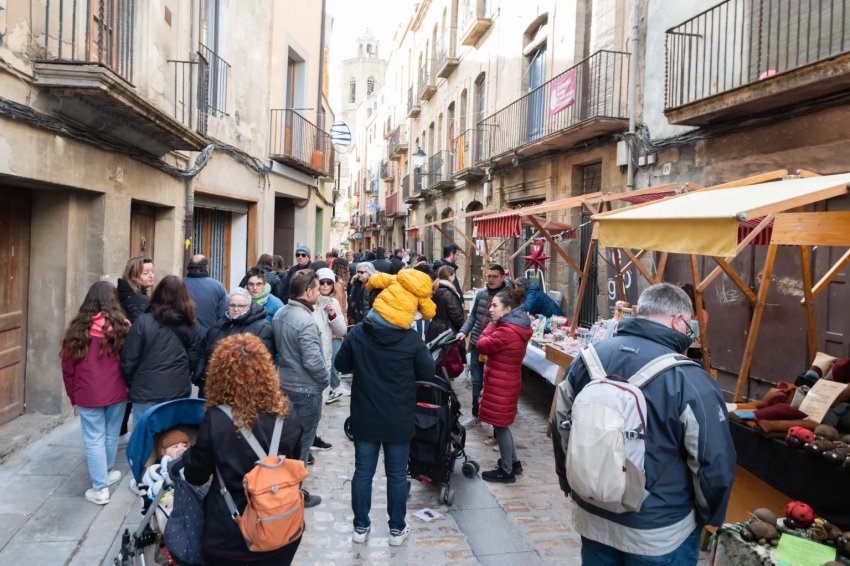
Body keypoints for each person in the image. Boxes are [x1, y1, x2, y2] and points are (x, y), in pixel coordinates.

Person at [551, 283, 735, 564]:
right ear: (677, 320)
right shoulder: (691, 379)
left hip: (592, 513)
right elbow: (712, 460)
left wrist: (568, 478)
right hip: (659, 529)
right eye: (689, 326)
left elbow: (561, 421)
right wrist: (710, 515)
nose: (689, 333)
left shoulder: (589, 359)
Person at [179, 334, 304, 566]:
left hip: (231, 537)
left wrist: (187, 457)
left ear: (218, 376)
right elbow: (295, 464)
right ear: (266, 371)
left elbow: (195, 475)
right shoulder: (287, 414)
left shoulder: (216, 420)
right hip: (282, 530)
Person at [334, 280, 436, 547]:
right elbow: (428, 374)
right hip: (398, 417)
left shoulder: (358, 334)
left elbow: (340, 364)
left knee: (363, 473)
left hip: (365, 416)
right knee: (396, 475)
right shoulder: (411, 339)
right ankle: (396, 529)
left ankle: (360, 526)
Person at [61, 281, 130, 505]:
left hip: (87, 392)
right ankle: (106, 474)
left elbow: (68, 367)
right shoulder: (122, 327)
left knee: (93, 438)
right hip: (117, 390)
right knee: (110, 435)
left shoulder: (77, 330)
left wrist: (72, 394)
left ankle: (100, 487)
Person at [273, 270, 326, 508]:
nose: (319, 292)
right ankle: (295, 494)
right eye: (316, 288)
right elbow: (313, 361)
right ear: (308, 291)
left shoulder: (281, 313)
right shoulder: (304, 320)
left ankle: (283, 488)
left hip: (285, 384)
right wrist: (324, 380)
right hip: (305, 389)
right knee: (302, 444)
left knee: (286, 440)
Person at [120, 275, 203, 424]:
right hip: (177, 390)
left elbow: (129, 360)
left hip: (145, 390)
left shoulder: (143, 321)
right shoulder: (191, 323)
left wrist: (134, 383)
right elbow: (194, 358)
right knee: (172, 440)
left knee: (144, 439)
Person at [476, 286, 533, 483]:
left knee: (501, 426)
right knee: (502, 424)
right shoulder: (515, 328)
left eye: (495, 306)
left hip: (502, 383)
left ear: (508, 310)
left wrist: (493, 325)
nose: (491, 309)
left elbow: (481, 344)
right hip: (506, 380)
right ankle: (514, 463)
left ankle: (507, 470)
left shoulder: (505, 331)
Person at [457, 265, 510, 428]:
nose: (491, 279)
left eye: (494, 276)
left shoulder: (507, 297)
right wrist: (463, 331)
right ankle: (476, 414)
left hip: (495, 348)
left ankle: (495, 424)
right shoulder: (481, 294)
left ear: (502, 277)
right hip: (477, 345)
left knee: (494, 385)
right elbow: (473, 316)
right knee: (477, 381)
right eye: (488, 276)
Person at [198, 288, 276, 395]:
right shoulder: (218, 326)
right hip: (214, 388)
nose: (236, 309)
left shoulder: (263, 328)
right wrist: (200, 375)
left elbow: (263, 362)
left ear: (249, 306)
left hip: (242, 390)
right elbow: (204, 350)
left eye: (241, 306)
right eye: (232, 305)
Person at [116, 256, 154, 441]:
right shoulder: (137, 300)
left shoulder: (129, 293)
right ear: (133, 276)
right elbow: (140, 330)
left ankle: (121, 432)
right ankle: (121, 433)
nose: (151, 276)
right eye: (146, 273)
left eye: (152, 271)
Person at [314, 268, 347, 408]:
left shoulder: (333, 302)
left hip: (326, 355)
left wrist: (333, 315)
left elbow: (341, 330)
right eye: (322, 282)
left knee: (322, 398)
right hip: (312, 354)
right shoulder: (310, 301)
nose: (326, 285)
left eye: (329, 282)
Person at [426, 265, 467, 359]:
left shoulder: (436, 289)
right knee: (448, 361)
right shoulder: (448, 293)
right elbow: (455, 314)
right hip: (447, 330)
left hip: (435, 327)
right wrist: (464, 329)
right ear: (450, 276)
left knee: (437, 359)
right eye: (454, 276)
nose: (454, 278)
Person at [183, 255, 228, 336]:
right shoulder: (218, 287)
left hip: (183, 338)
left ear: (188, 268)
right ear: (207, 267)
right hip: (208, 337)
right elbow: (223, 317)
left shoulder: (178, 285)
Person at [326, 260, 351, 402]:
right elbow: (339, 305)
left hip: (338, 323)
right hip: (336, 325)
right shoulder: (337, 284)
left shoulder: (338, 283)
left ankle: (335, 384)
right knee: (335, 355)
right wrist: (343, 322)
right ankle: (334, 385)